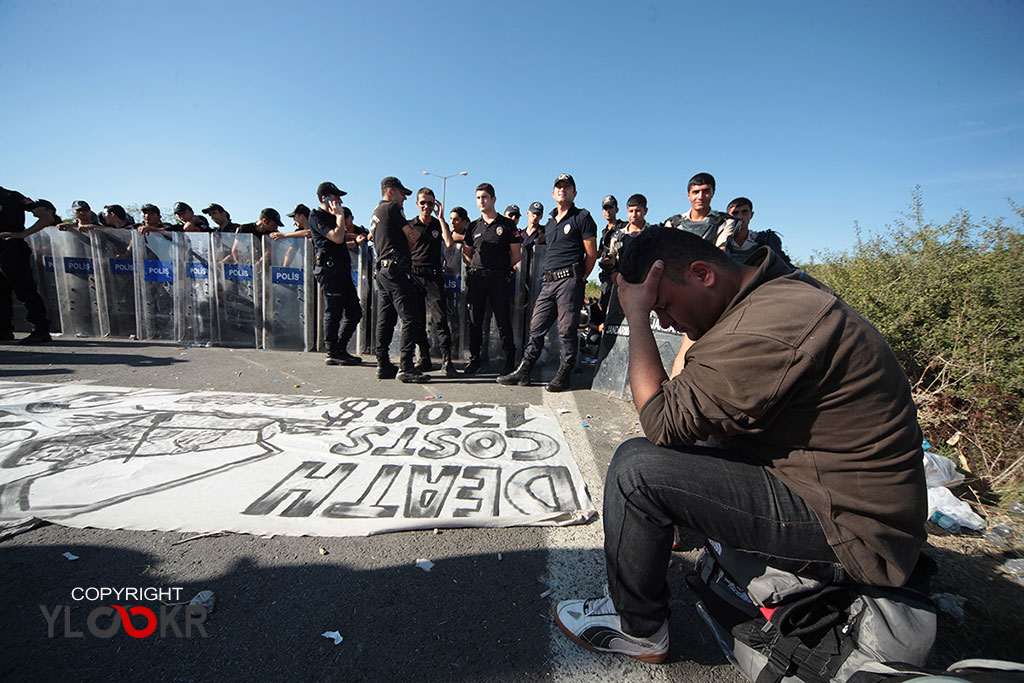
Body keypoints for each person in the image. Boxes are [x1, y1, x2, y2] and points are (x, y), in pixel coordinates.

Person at [553, 228, 927, 663]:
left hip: (855, 531)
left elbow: (660, 420)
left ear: (702, 273)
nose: (668, 324)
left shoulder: (763, 328)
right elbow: (696, 400)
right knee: (701, 427)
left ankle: (638, 628)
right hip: (839, 493)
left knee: (637, 470)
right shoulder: (775, 290)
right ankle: (683, 528)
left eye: (665, 307)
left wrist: (636, 316)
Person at [498, 173, 597, 391]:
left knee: (566, 330)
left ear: (574, 193)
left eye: (567, 187)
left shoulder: (582, 217)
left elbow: (591, 254)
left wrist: (580, 278)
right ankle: (525, 371)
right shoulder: (550, 224)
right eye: (559, 187)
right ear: (553, 193)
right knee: (536, 327)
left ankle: (564, 373)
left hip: (569, 280)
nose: (563, 190)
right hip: (549, 282)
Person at [369, 176, 428, 383]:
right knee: (411, 318)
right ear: (391, 191)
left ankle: (383, 363)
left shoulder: (375, 213)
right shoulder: (392, 209)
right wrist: (413, 237)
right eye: (402, 193)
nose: (404, 198)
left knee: (385, 320)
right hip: (396, 271)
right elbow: (412, 237)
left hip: (383, 272)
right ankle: (406, 367)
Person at [462, 182, 521, 376]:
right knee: (475, 322)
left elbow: (516, 255)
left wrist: (501, 268)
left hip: (498, 280)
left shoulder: (507, 224)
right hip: (477, 280)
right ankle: (475, 360)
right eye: (478, 198)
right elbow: (467, 254)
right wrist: (478, 267)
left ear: (493, 199)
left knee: (503, 321)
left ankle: (510, 361)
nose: (481, 201)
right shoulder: (473, 226)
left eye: (485, 197)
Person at [307, 182, 362, 367]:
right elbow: (336, 237)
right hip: (329, 270)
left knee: (355, 311)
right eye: (336, 197)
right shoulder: (317, 216)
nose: (339, 200)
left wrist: (354, 240)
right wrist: (339, 216)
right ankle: (331, 351)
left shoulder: (332, 217)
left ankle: (340, 348)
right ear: (326, 198)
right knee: (334, 311)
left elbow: (338, 242)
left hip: (342, 269)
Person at [0, 188, 58, 344]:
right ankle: (4, 329)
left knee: (25, 290)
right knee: (2, 291)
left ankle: (40, 328)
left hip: (12, 248)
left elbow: (46, 218)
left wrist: (22, 234)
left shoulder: (11, 196)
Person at [410, 187, 456, 377]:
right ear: (417, 204)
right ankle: (424, 358)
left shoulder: (438, 224)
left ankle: (447, 361)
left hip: (434, 276)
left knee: (440, 320)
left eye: (430, 203)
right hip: (414, 276)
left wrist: (442, 217)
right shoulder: (410, 225)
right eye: (423, 202)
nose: (427, 206)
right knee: (417, 320)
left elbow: (449, 242)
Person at [663, 172, 736, 249]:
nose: (700, 197)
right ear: (689, 195)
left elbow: (721, 252)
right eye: (695, 192)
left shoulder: (725, 222)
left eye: (706, 191)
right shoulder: (673, 223)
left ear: (713, 193)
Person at [725, 196, 793, 266]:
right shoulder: (719, 241)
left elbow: (783, 266)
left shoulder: (764, 240)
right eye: (735, 213)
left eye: (744, 212)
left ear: (751, 215)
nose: (740, 217)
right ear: (727, 217)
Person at [596, 194, 628, 312]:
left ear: (617, 209)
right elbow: (599, 252)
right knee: (604, 304)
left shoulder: (624, 227)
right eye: (605, 208)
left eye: (610, 208)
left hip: (621, 272)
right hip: (606, 274)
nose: (608, 211)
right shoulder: (604, 231)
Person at [444, 206, 470, 274]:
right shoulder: (445, 238)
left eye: (456, 219)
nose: (452, 222)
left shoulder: (470, 240)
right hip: (446, 277)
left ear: (464, 222)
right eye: (451, 219)